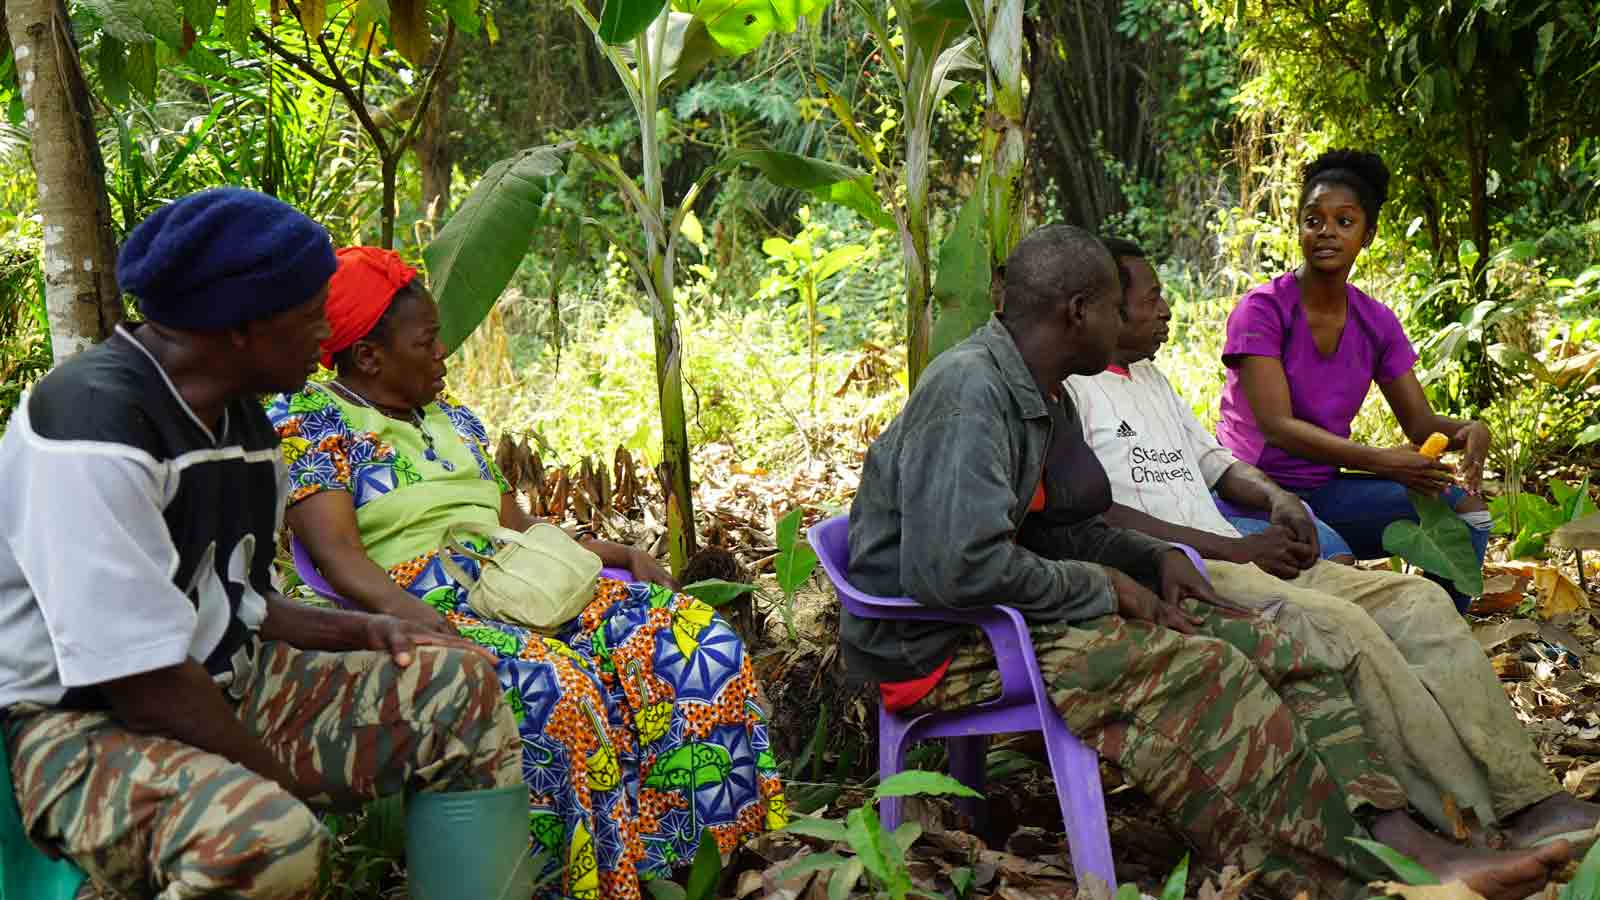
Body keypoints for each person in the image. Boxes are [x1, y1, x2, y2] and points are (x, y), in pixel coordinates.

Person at [842, 223, 1568, 900]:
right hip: (943, 643)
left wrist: (1152, 557)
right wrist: (1107, 585)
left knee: (1277, 644)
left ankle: (1401, 839)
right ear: (1078, 312)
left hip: (1010, 608)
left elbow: (1063, 525)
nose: (1128, 321)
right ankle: (1340, 875)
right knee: (1206, 670)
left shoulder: (1040, 392)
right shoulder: (971, 391)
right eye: (1112, 307)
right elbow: (954, 571)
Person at [0, 189, 523, 899]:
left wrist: (371, 630)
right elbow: (141, 679)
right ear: (244, 326)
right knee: (266, 840)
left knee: (459, 689)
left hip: (225, 684)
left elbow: (239, 605)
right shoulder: (93, 427)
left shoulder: (239, 420)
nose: (326, 332)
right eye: (312, 315)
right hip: (80, 731)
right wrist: (279, 784)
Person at [267, 247, 785, 900]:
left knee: (691, 640)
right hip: (415, 599)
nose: (442, 357)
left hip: (516, 581)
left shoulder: (454, 422)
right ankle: (584, 884)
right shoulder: (313, 424)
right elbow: (338, 558)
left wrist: (613, 554)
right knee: (552, 685)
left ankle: (703, 867)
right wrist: (418, 617)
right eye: (426, 344)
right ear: (368, 357)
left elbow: (519, 528)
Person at [1066, 236, 1600, 846]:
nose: (1165, 310)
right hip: (1188, 570)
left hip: (1238, 553)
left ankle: (1526, 797)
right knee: (1344, 628)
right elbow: (1097, 518)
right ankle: (1472, 821)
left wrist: (1276, 499)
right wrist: (1238, 550)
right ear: (1104, 306)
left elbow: (1216, 463)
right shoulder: (1072, 392)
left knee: (1415, 602)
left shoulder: (1150, 379)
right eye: (1152, 296)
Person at [1216, 149, 1493, 607]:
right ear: (1299, 227)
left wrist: (1470, 431)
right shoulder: (1262, 311)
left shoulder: (1375, 322)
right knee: (1338, 570)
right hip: (1254, 494)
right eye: (1313, 219)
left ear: (1369, 234)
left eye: (1344, 221)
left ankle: (1442, 637)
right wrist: (1381, 461)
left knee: (1468, 516)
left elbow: (1421, 427)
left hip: (1324, 491)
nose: (1326, 231)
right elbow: (1276, 427)